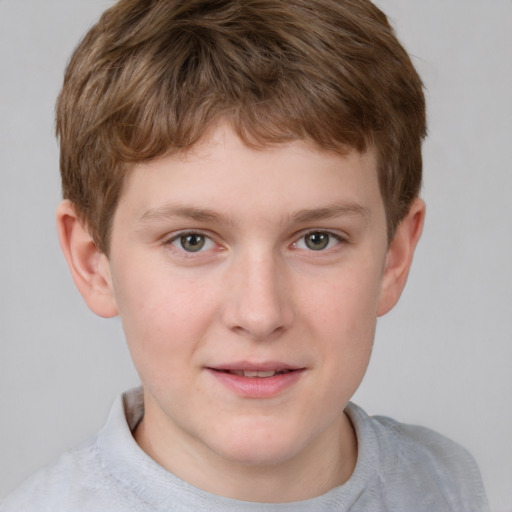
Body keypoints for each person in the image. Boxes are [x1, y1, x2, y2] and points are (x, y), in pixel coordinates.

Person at [1, 0, 490, 510]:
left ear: (394, 256)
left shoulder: (450, 486)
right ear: (92, 262)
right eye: (191, 240)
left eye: (317, 239)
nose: (260, 314)